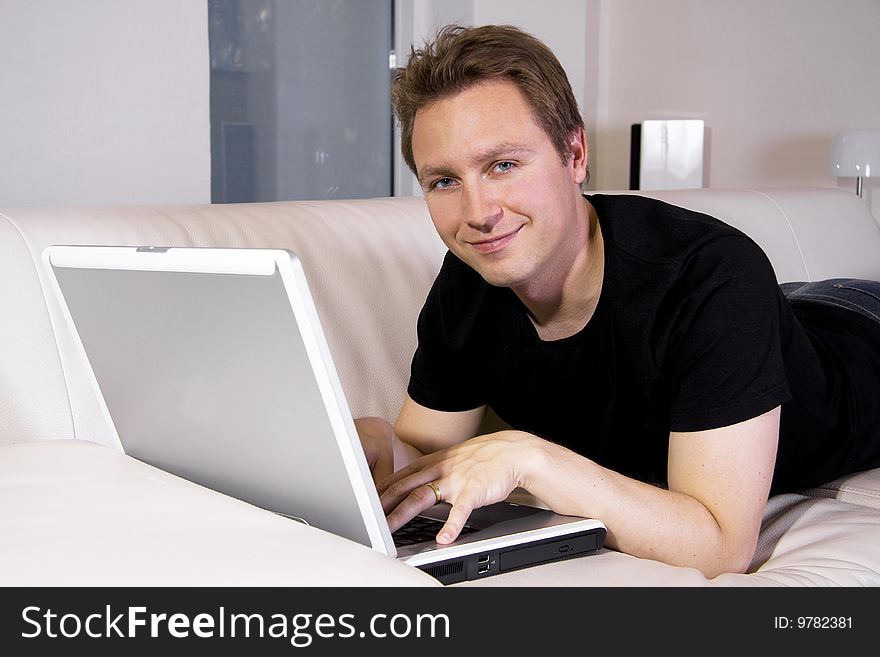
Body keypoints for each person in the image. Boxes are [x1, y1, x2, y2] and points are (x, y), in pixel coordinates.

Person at [355, 24, 880, 578]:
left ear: (575, 154)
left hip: (859, 328)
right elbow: (427, 460)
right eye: (443, 181)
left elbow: (722, 546)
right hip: (777, 311)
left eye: (503, 165)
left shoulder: (710, 276)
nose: (478, 212)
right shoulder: (469, 282)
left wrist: (530, 457)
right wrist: (377, 443)